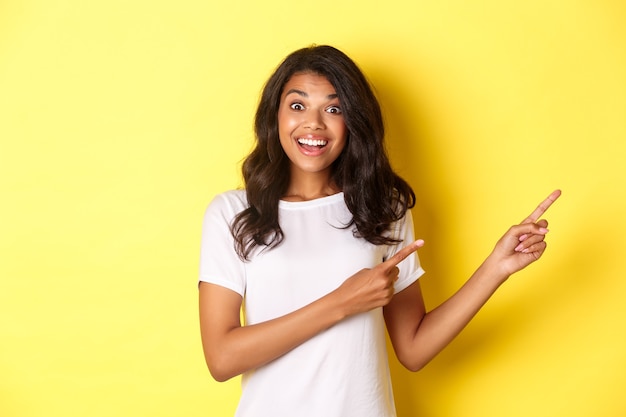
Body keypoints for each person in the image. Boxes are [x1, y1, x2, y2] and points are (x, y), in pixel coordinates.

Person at [198, 45, 561, 417]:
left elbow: (414, 348)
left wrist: (496, 268)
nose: (314, 123)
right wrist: (341, 303)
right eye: (297, 105)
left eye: (334, 109)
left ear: (352, 121)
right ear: (274, 116)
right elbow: (222, 359)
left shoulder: (381, 207)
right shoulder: (232, 213)